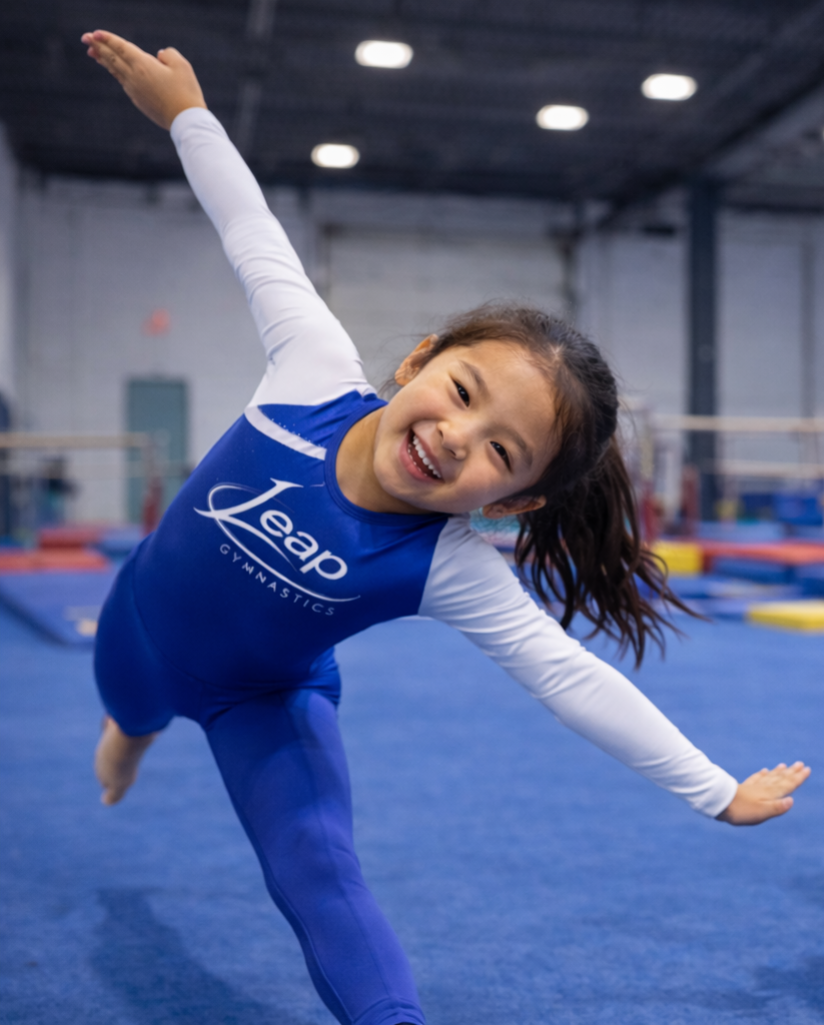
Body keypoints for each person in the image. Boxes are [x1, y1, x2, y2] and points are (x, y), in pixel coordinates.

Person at [82, 30, 810, 1025]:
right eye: (460, 390)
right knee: (130, 702)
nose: (453, 437)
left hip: (266, 699)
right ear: (419, 357)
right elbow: (251, 233)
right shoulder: (309, 370)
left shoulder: (449, 563)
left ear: (509, 502)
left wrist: (713, 789)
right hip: (138, 625)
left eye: (501, 453)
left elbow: (570, 675)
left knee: (317, 869)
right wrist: (187, 115)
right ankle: (131, 733)